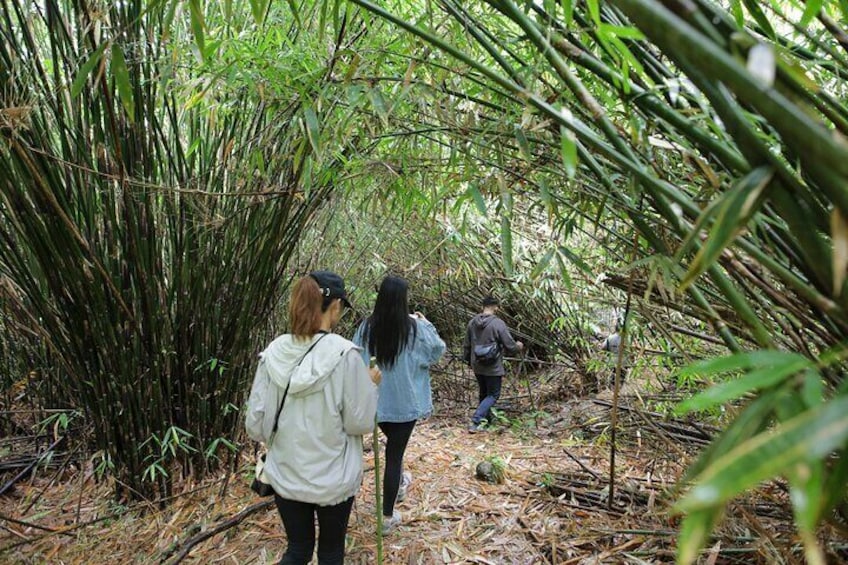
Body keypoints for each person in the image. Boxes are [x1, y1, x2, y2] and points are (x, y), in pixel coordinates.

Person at [245, 270, 381, 565]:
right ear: (334, 307)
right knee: (331, 553)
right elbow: (359, 422)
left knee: (297, 550)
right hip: (333, 478)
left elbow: (255, 423)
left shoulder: (274, 352)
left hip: (286, 474)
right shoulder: (345, 355)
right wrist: (369, 384)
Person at [353, 275, 445, 534]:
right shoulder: (414, 328)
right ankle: (387, 516)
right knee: (394, 455)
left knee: (395, 452)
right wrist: (425, 322)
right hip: (405, 405)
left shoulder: (367, 328)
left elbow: (355, 357)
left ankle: (400, 485)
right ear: (403, 300)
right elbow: (437, 351)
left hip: (378, 404)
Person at [463, 296, 523, 433]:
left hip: (477, 364)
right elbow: (510, 345)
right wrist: (519, 346)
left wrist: (467, 361)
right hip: (493, 365)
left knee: (484, 393)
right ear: (496, 307)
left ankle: (487, 422)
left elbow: (467, 345)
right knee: (493, 394)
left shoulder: (472, 322)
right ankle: (476, 420)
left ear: (482, 306)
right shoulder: (498, 324)